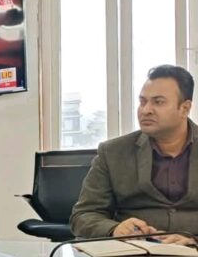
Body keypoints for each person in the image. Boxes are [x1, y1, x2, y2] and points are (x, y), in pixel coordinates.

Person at [71, 65, 197, 244]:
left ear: (184, 108)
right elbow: (83, 215)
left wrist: (194, 242)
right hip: (134, 251)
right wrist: (114, 229)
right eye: (142, 102)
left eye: (158, 102)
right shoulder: (113, 152)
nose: (146, 110)